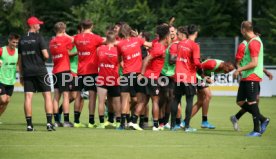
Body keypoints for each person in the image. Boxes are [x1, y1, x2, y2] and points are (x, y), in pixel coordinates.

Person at [230, 26, 272, 132]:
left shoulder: (254, 43)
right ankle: (261, 121)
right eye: (257, 34)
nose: (258, 37)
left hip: (252, 76)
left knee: (254, 101)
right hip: (247, 76)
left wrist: (265, 71)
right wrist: (239, 72)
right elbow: (239, 62)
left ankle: (242, 119)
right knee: (244, 102)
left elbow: (254, 62)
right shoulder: (244, 45)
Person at [18, 16, 55, 131]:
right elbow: (46, 55)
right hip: (40, 70)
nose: (39, 25)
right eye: (38, 24)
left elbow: (20, 59)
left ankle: (29, 125)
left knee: (28, 97)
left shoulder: (22, 39)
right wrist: (41, 60)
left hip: (27, 72)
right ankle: (49, 124)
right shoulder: (39, 38)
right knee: (47, 95)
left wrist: (21, 75)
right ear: (33, 25)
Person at [116, 23, 152, 130]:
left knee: (125, 100)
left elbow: (119, 60)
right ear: (130, 31)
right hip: (138, 74)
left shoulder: (120, 44)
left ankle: (122, 125)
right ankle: (135, 120)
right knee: (142, 99)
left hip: (126, 74)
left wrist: (124, 64)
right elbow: (150, 45)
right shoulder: (138, 40)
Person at [137, 24, 170, 131]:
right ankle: (156, 125)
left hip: (149, 76)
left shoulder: (157, 44)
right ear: (166, 36)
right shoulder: (159, 48)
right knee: (155, 101)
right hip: (151, 77)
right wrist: (141, 74)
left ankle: (133, 121)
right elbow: (146, 60)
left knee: (143, 101)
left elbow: (148, 44)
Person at [74, 19, 105, 128]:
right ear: (92, 26)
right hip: (91, 71)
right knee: (92, 96)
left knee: (78, 96)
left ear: (82, 26)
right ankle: (91, 122)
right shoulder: (95, 38)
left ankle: (76, 121)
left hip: (80, 71)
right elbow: (108, 41)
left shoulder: (77, 37)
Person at [170, 24, 201, 132]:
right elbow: (197, 62)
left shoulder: (178, 44)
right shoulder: (194, 45)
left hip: (178, 76)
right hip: (188, 76)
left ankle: (173, 125)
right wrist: (202, 72)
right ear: (196, 33)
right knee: (189, 100)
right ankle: (187, 126)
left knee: (176, 99)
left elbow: (173, 59)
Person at [189, 59, 235, 129]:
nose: (228, 72)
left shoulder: (223, 69)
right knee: (208, 95)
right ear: (226, 65)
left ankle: (185, 121)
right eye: (229, 70)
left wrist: (208, 79)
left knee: (200, 101)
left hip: (201, 78)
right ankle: (204, 122)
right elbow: (198, 68)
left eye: (230, 71)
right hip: (195, 75)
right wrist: (206, 78)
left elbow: (209, 73)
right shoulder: (212, 64)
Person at [159, 26, 189, 129]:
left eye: (173, 31)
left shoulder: (177, 44)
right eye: (169, 31)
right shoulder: (174, 45)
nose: (171, 33)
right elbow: (172, 60)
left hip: (172, 75)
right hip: (167, 75)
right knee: (166, 99)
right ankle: (163, 122)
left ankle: (167, 122)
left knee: (171, 99)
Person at [49, 22, 74, 127]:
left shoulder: (51, 42)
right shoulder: (65, 39)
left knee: (56, 96)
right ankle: (66, 121)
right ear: (63, 30)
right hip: (64, 70)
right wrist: (65, 34)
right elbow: (74, 40)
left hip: (55, 71)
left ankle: (56, 121)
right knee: (66, 95)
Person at [96, 30, 121, 128]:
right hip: (114, 78)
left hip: (102, 78)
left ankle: (102, 123)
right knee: (116, 101)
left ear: (106, 39)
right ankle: (118, 122)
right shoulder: (118, 50)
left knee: (101, 101)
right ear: (115, 40)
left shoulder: (100, 49)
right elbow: (120, 62)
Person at [0, 33, 20, 120]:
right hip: (1, 79)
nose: (15, 44)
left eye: (16, 43)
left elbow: (18, 65)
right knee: (3, 100)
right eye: (13, 42)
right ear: (9, 41)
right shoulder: (1, 50)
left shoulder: (18, 52)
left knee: (7, 101)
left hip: (11, 81)